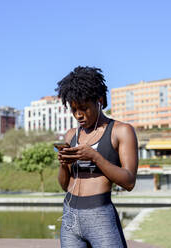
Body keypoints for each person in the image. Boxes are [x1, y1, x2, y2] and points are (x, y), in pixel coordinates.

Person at [56, 66, 138, 248]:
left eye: (84, 108)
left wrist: (95, 156)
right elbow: (64, 185)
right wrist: (63, 164)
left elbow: (129, 182)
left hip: (100, 217)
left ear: (99, 100)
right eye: (74, 109)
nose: (78, 115)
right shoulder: (71, 135)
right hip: (70, 217)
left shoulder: (121, 131)